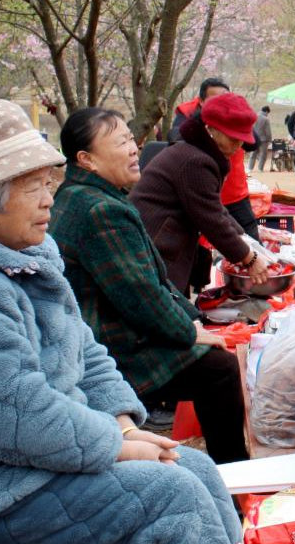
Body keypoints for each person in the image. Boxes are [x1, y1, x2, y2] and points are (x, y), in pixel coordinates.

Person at [0, 98, 240, 544]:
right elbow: (16, 421)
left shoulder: (26, 249)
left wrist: (124, 424)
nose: (50, 198)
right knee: (167, 494)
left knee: (195, 466)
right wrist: (116, 445)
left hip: (33, 453)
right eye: (32, 187)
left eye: (48, 182)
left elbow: (82, 348)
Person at [51, 107, 250, 464]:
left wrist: (192, 320)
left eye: (131, 138)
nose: (132, 148)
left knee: (212, 353)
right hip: (112, 343)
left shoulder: (86, 195)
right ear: (86, 159)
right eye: (119, 142)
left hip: (108, 328)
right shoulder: (99, 210)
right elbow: (140, 295)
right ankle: (234, 475)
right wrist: (189, 332)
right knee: (218, 370)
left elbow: (151, 283)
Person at [131, 92, 270, 295]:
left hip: (160, 244)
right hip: (154, 246)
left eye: (242, 142)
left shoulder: (197, 152)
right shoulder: (196, 161)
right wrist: (250, 258)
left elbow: (215, 208)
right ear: (211, 129)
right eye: (233, 139)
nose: (238, 146)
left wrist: (245, 239)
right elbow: (210, 219)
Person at [168, 77, 229, 142]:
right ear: (201, 101)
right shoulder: (188, 110)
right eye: (215, 99)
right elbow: (175, 135)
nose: (221, 103)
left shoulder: (235, 111)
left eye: (225, 99)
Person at [250, 105, 273, 173]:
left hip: (253, 137)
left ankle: (250, 168)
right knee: (263, 154)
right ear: (266, 111)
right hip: (263, 139)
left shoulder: (254, 116)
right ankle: (260, 168)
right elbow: (268, 131)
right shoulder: (265, 119)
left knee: (253, 153)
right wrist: (270, 139)